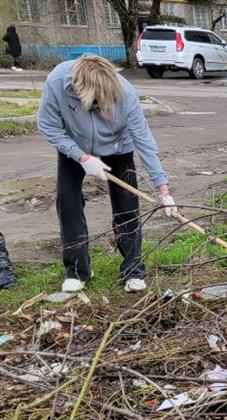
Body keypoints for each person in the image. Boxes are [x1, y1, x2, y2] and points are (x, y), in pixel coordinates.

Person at [37, 54, 176, 294]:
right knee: (67, 201)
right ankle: (78, 271)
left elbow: (144, 140)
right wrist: (82, 156)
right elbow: (47, 125)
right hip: (75, 148)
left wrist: (162, 188)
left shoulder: (126, 93)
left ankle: (133, 270)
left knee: (127, 206)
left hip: (118, 148)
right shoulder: (57, 82)